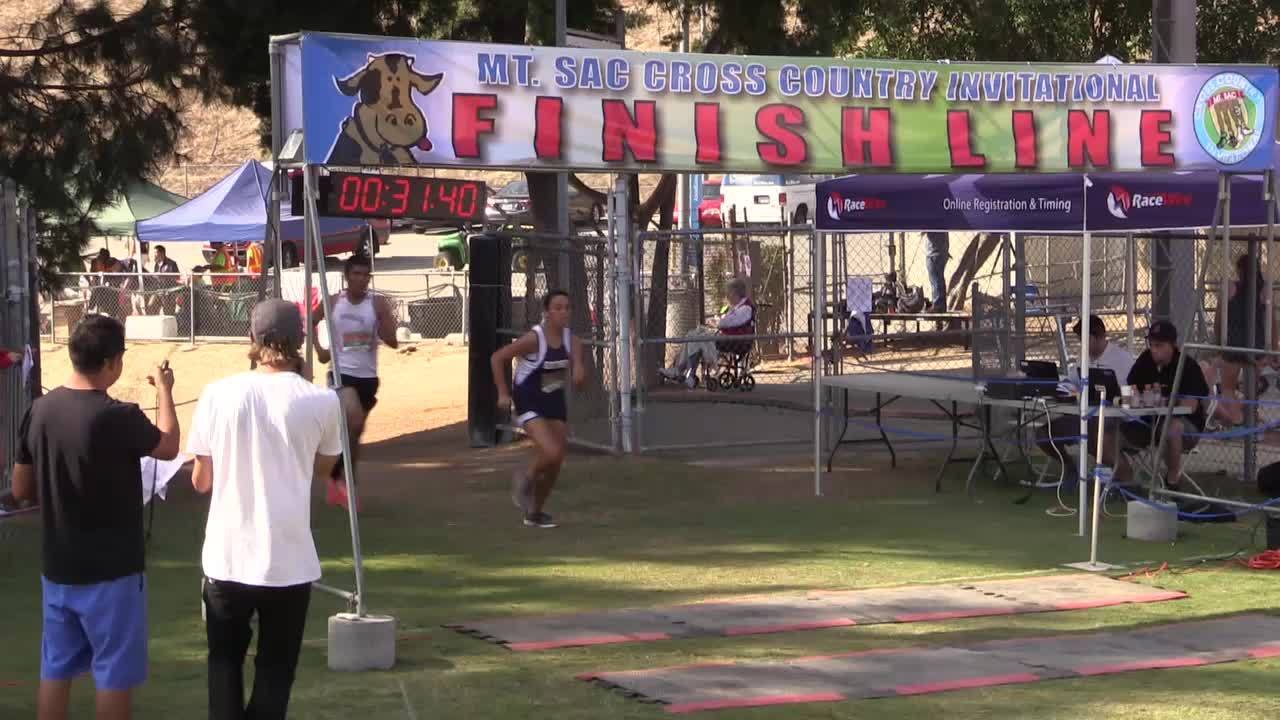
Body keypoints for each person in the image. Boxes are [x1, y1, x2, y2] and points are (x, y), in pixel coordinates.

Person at [188, 299, 356, 720]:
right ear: (301, 341)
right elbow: (323, 468)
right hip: (289, 560)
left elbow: (201, 481)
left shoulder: (217, 394)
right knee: (276, 670)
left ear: (252, 340)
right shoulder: (321, 401)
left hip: (228, 557)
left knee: (224, 663)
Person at [10, 314, 180, 720]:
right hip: (113, 571)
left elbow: (20, 490)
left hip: (59, 568)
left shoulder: (39, 411)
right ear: (111, 362)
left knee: (55, 670)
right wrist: (165, 392)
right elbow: (169, 446)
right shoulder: (117, 415)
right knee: (113, 674)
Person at [492, 289, 586, 529]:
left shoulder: (572, 341)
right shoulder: (535, 339)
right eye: (558, 307)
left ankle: (534, 512)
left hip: (553, 400)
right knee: (552, 452)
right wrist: (503, 393)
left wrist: (578, 374)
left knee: (556, 461)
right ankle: (524, 478)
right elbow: (498, 357)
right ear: (546, 313)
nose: (564, 312)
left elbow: (578, 370)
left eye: (567, 307)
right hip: (528, 397)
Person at [313, 254, 398, 508]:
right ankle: (343, 481)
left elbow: (394, 341)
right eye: (356, 274)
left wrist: (384, 331)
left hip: (368, 377)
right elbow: (312, 320)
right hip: (340, 373)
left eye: (365, 275)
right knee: (355, 418)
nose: (361, 279)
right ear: (347, 277)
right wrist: (321, 350)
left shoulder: (377, 303)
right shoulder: (333, 301)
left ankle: (339, 477)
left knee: (354, 433)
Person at [1036, 315, 1136, 481]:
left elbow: (1128, 395)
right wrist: (1060, 389)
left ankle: (1125, 479)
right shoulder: (1083, 357)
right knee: (1043, 435)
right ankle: (1070, 467)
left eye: (1083, 339)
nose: (1081, 344)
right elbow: (1071, 381)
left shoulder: (1122, 359)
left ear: (1095, 337)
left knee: (1096, 437)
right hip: (1083, 415)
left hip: (1112, 418)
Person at [1118, 320, 1212, 490]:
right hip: (1149, 423)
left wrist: (1165, 401)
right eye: (1151, 344)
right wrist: (1137, 398)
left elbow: (1191, 406)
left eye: (1159, 345)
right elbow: (1128, 393)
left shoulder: (1187, 365)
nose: (1154, 349)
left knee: (1172, 427)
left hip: (1186, 427)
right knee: (1109, 428)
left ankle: (1173, 481)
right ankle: (1124, 480)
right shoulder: (1145, 360)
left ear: (1173, 345)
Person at [1211, 254, 1277, 425]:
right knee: (1250, 387)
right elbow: (1271, 322)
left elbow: (1219, 320)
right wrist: (1272, 347)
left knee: (1228, 387)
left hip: (1234, 343)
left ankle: (1236, 418)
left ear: (1239, 270)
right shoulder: (1264, 290)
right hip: (1255, 344)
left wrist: (1220, 343)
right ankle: (1243, 416)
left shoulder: (1230, 288)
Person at [149, 245, 180, 316]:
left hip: (168, 292)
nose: (154, 255)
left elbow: (177, 278)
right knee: (150, 306)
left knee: (168, 313)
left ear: (162, 253)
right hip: (158, 290)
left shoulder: (171, 264)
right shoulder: (156, 264)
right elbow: (156, 277)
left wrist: (164, 276)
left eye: (155, 253)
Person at [924, 232, 949, 313]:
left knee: (935, 280)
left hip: (934, 252)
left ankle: (938, 304)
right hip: (940, 251)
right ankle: (940, 304)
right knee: (938, 279)